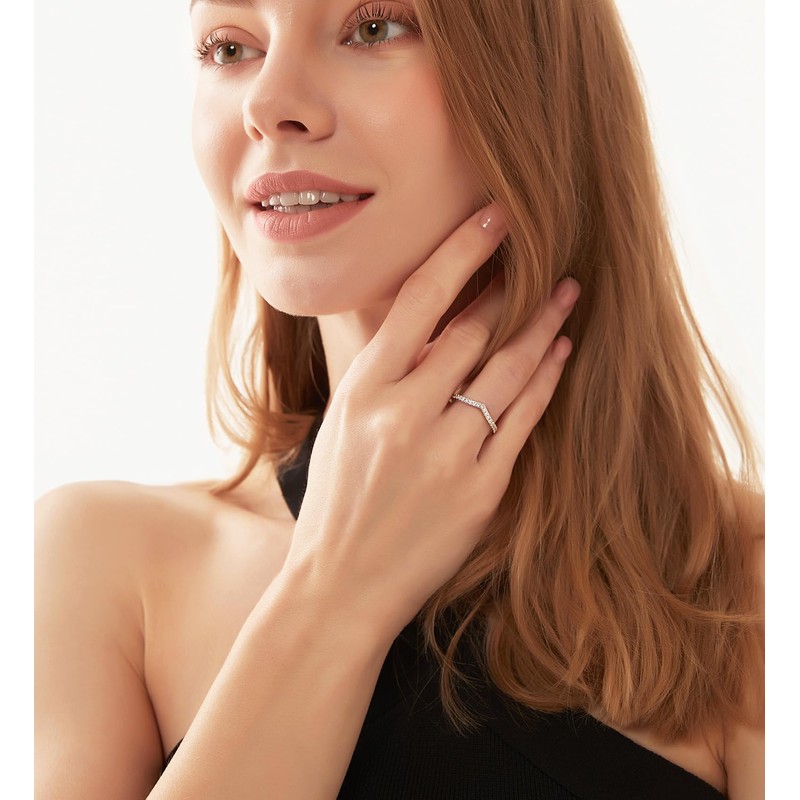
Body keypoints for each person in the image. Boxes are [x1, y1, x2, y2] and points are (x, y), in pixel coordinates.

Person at [35, 1, 764, 798]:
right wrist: (335, 594)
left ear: (535, 86)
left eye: (373, 27)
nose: (267, 103)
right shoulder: (100, 569)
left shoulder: (752, 591)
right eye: (229, 47)